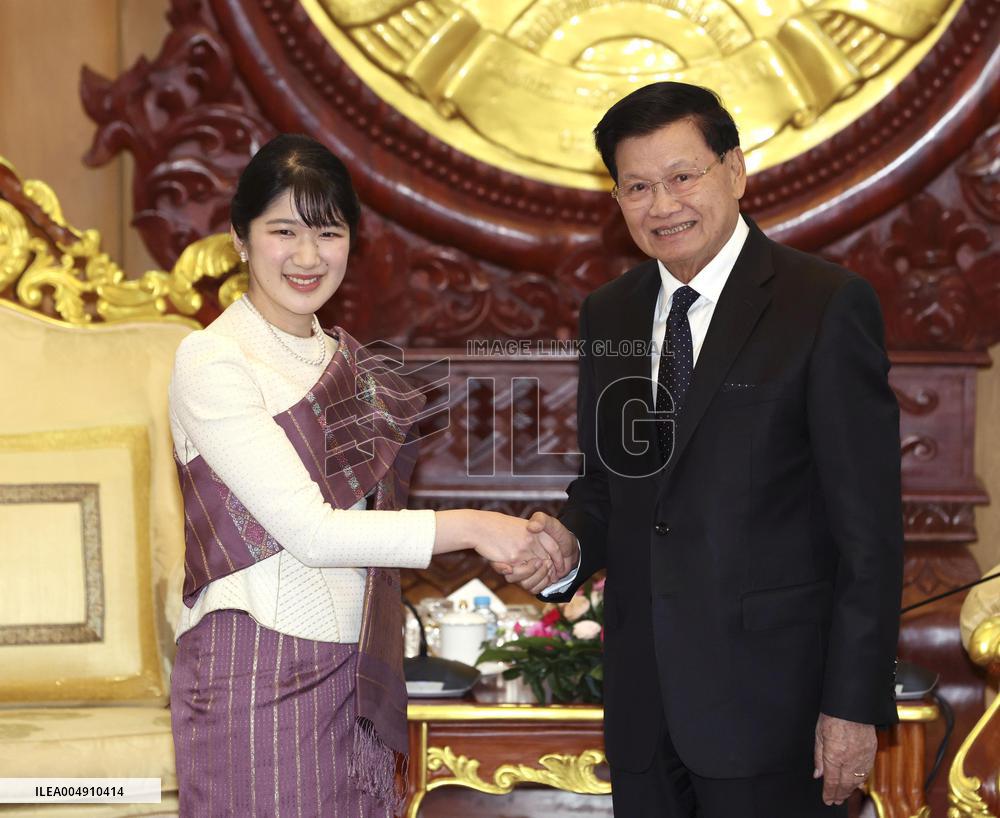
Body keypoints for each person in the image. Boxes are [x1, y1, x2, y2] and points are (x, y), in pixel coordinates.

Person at [498, 83, 903, 816]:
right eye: (638, 187)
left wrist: (852, 706)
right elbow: (609, 486)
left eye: (683, 177)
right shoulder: (610, 311)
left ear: (736, 171)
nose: (663, 205)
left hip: (776, 712)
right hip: (644, 709)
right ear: (617, 199)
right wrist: (563, 542)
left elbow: (868, 532)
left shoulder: (823, 303)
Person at [168, 133, 567, 817]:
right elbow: (312, 534)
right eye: (282, 231)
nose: (306, 255)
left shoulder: (353, 365)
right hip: (255, 670)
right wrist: (478, 527)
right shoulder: (212, 361)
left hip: (354, 672)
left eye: (327, 232)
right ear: (239, 238)